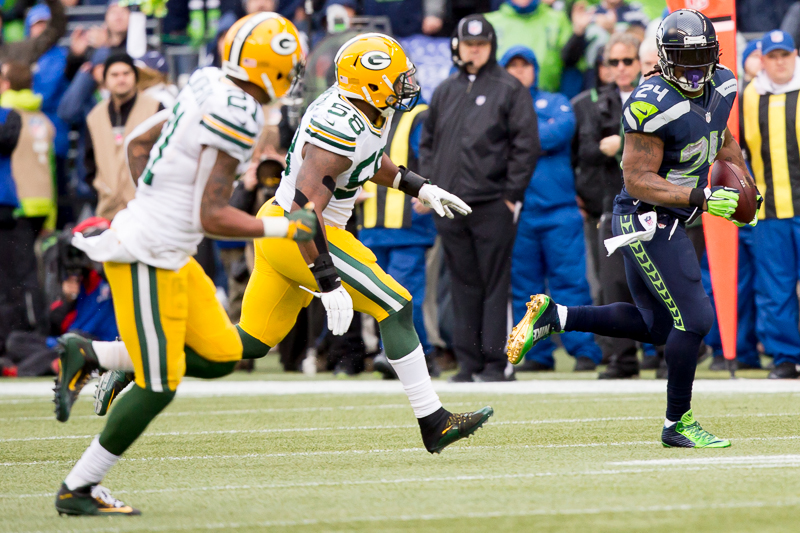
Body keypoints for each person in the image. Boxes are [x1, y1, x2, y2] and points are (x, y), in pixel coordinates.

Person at [52, 13, 317, 515]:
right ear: (270, 68)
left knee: (220, 356)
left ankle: (91, 355)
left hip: (167, 248)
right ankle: (78, 487)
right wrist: (287, 226)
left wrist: (158, 204)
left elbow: (137, 146)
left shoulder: (207, 79)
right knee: (160, 385)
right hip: (147, 254)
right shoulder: (241, 112)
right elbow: (212, 215)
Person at [508, 9, 757, 447]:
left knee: (659, 326)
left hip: (677, 215)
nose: (695, 69)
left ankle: (556, 316)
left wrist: (744, 181)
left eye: (702, 58)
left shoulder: (724, 83)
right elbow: (636, 178)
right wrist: (700, 196)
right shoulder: (649, 101)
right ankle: (676, 423)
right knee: (696, 318)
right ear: (663, 58)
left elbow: (721, 136)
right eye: (684, 59)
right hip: (644, 216)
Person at [233, 33, 492, 450]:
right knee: (396, 303)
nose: (406, 85)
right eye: (397, 79)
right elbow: (305, 208)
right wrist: (328, 281)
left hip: (294, 227)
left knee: (246, 343)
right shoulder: (338, 125)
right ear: (369, 83)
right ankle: (434, 421)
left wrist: (418, 187)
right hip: (301, 232)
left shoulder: (365, 106)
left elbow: (367, 159)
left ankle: (130, 360)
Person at [420, 15, 539, 382]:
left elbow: (526, 145)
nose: (475, 49)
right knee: (462, 282)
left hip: (492, 203)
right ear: (458, 46)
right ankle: (468, 362)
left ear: (491, 46)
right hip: (451, 205)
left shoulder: (508, 87)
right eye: (469, 44)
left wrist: (510, 196)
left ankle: (495, 362)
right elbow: (427, 144)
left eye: (482, 44)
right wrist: (430, 187)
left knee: (494, 284)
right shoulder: (444, 90)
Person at [500, 45, 601, 373]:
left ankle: (584, 350)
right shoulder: (499, 106)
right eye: (512, 66)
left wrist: (517, 139)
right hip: (520, 213)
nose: (519, 71)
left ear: (534, 69)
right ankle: (537, 354)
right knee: (526, 289)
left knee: (571, 284)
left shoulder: (556, 101)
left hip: (560, 211)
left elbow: (561, 131)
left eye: (524, 65)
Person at [573, 33, 642, 379]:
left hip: (653, 205)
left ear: (641, 63)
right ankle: (623, 358)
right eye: (613, 62)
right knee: (613, 285)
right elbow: (584, 152)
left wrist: (622, 142)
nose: (620, 68)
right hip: (611, 205)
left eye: (627, 61)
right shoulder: (589, 101)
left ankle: (665, 353)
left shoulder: (655, 96)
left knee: (659, 282)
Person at [741, 30, 800, 379]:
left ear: (795, 56)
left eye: (785, 55)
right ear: (762, 60)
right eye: (772, 56)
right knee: (774, 288)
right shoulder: (748, 97)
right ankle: (785, 357)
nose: (779, 62)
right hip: (770, 211)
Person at [0, 61, 55, 351]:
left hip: (15, 203)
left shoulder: (7, 114)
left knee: (15, 278)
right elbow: (53, 171)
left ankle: (26, 336)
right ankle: (36, 328)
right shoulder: (42, 118)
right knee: (29, 274)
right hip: (40, 204)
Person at [84, 52, 162, 221]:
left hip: (146, 211)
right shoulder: (94, 116)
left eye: (126, 73)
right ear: (105, 80)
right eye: (115, 75)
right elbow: (89, 163)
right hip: (108, 211)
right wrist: (101, 189)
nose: (121, 79)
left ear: (135, 76)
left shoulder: (155, 108)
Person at [485, 0, 576, 93]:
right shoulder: (490, 21)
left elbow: (572, 63)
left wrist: (578, 32)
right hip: (498, 96)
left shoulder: (558, 19)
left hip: (549, 95)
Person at [0, 0, 65, 65]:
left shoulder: (19, 50)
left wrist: (52, 2)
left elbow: (54, 29)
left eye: (43, 23)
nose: (40, 27)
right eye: (37, 24)